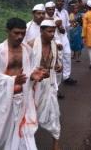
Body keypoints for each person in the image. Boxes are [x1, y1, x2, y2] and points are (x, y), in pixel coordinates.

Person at [0, 18, 47, 150]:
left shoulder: (28, 50)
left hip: (23, 100)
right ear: (7, 31)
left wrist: (33, 76)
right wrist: (12, 81)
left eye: (23, 33)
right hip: (3, 103)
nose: (20, 36)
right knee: (0, 138)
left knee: (26, 139)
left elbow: (30, 72)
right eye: (16, 33)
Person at [31, 20, 62, 150]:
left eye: (53, 31)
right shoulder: (31, 44)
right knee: (30, 116)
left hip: (49, 86)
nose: (52, 34)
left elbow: (56, 64)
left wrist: (59, 66)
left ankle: (56, 144)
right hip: (34, 86)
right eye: (49, 31)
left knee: (54, 115)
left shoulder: (54, 45)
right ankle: (28, 144)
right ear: (41, 31)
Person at [55, 0, 77, 85]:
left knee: (67, 55)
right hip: (55, 37)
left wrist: (73, 25)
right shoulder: (52, 11)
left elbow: (67, 25)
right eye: (58, 0)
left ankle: (66, 76)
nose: (60, 2)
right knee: (58, 58)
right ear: (56, 1)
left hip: (64, 37)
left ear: (64, 3)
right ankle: (56, 81)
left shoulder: (65, 12)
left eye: (62, 1)